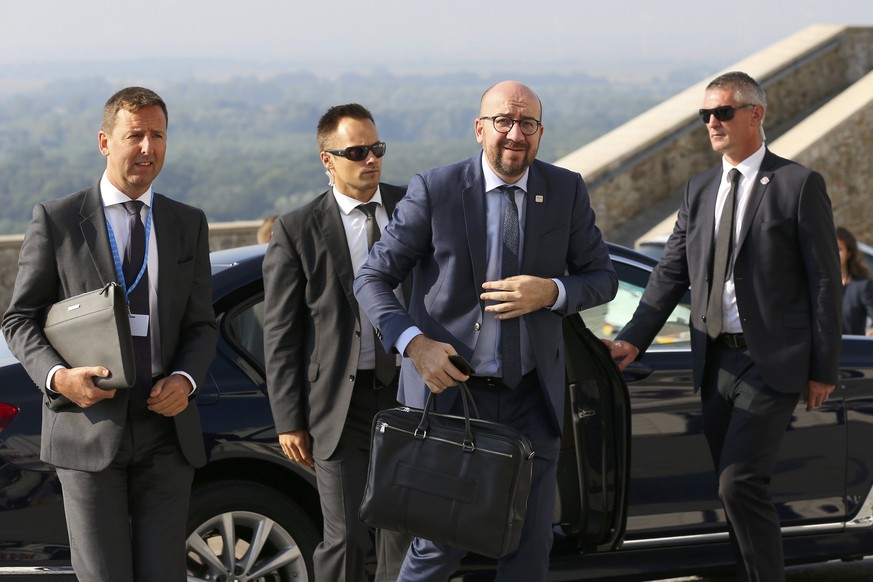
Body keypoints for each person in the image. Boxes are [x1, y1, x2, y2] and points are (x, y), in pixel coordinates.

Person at [353, 80, 617, 581]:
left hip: (531, 400)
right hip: (451, 399)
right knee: (438, 549)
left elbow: (602, 277)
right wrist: (415, 345)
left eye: (528, 124)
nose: (515, 134)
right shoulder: (435, 189)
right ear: (480, 129)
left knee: (528, 549)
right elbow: (371, 278)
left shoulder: (564, 190)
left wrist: (552, 293)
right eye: (504, 122)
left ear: (540, 133)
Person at [605, 71, 842, 581]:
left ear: (756, 114)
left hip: (771, 363)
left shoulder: (798, 185)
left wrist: (823, 366)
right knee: (732, 490)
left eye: (723, 112)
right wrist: (631, 339)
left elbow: (825, 280)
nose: (712, 122)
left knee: (740, 483)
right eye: (705, 115)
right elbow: (669, 273)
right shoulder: (698, 190)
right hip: (714, 361)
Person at [2, 87, 217, 581]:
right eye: (134, 135)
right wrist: (59, 377)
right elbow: (19, 320)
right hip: (88, 428)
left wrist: (185, 379)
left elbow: (202, 324)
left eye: (157, 135)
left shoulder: (187, 222)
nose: (147, 147)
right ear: (104, 142)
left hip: (166, 432)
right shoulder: (58, 221)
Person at [263, 103, 411, 582]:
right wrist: (289, 418)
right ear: (327, 159)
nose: (371, 159)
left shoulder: (413, 209)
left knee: (404, 531)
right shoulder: (297, 228)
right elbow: (281, 334)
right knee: (346, 537)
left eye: (377, 149)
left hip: (407, 397)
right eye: (357, 151)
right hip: (337, 407)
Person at [837, 226, 873, 336]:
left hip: (852, 349)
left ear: (849, 253)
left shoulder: (862, 286)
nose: (833, 253)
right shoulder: (817, 286)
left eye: (839, 249)